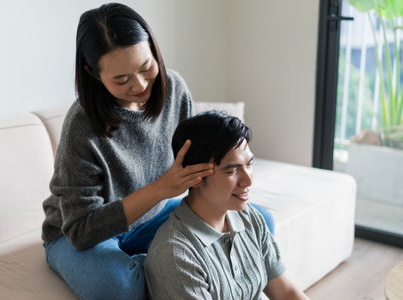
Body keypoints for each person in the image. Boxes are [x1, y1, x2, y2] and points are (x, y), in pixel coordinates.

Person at [41, 3, 274, 300]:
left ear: (153, 49)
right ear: (93, 73)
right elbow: (80, 231)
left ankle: (160, 266)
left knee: (258, 222)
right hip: (80, 236)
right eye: (121, 79)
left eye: (146, 67)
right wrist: (161, 190)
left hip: (150, 218)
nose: (140, 85)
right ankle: (159, 268)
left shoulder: (173, 89)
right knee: (121, 288)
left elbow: (197, 164)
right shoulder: (83, 125)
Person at [144, 111, 309, 300]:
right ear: (194, 177)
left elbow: (286, 292)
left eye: (249, 164)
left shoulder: (250, 218)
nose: (248, 181)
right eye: (232, 171)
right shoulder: (175, 256)